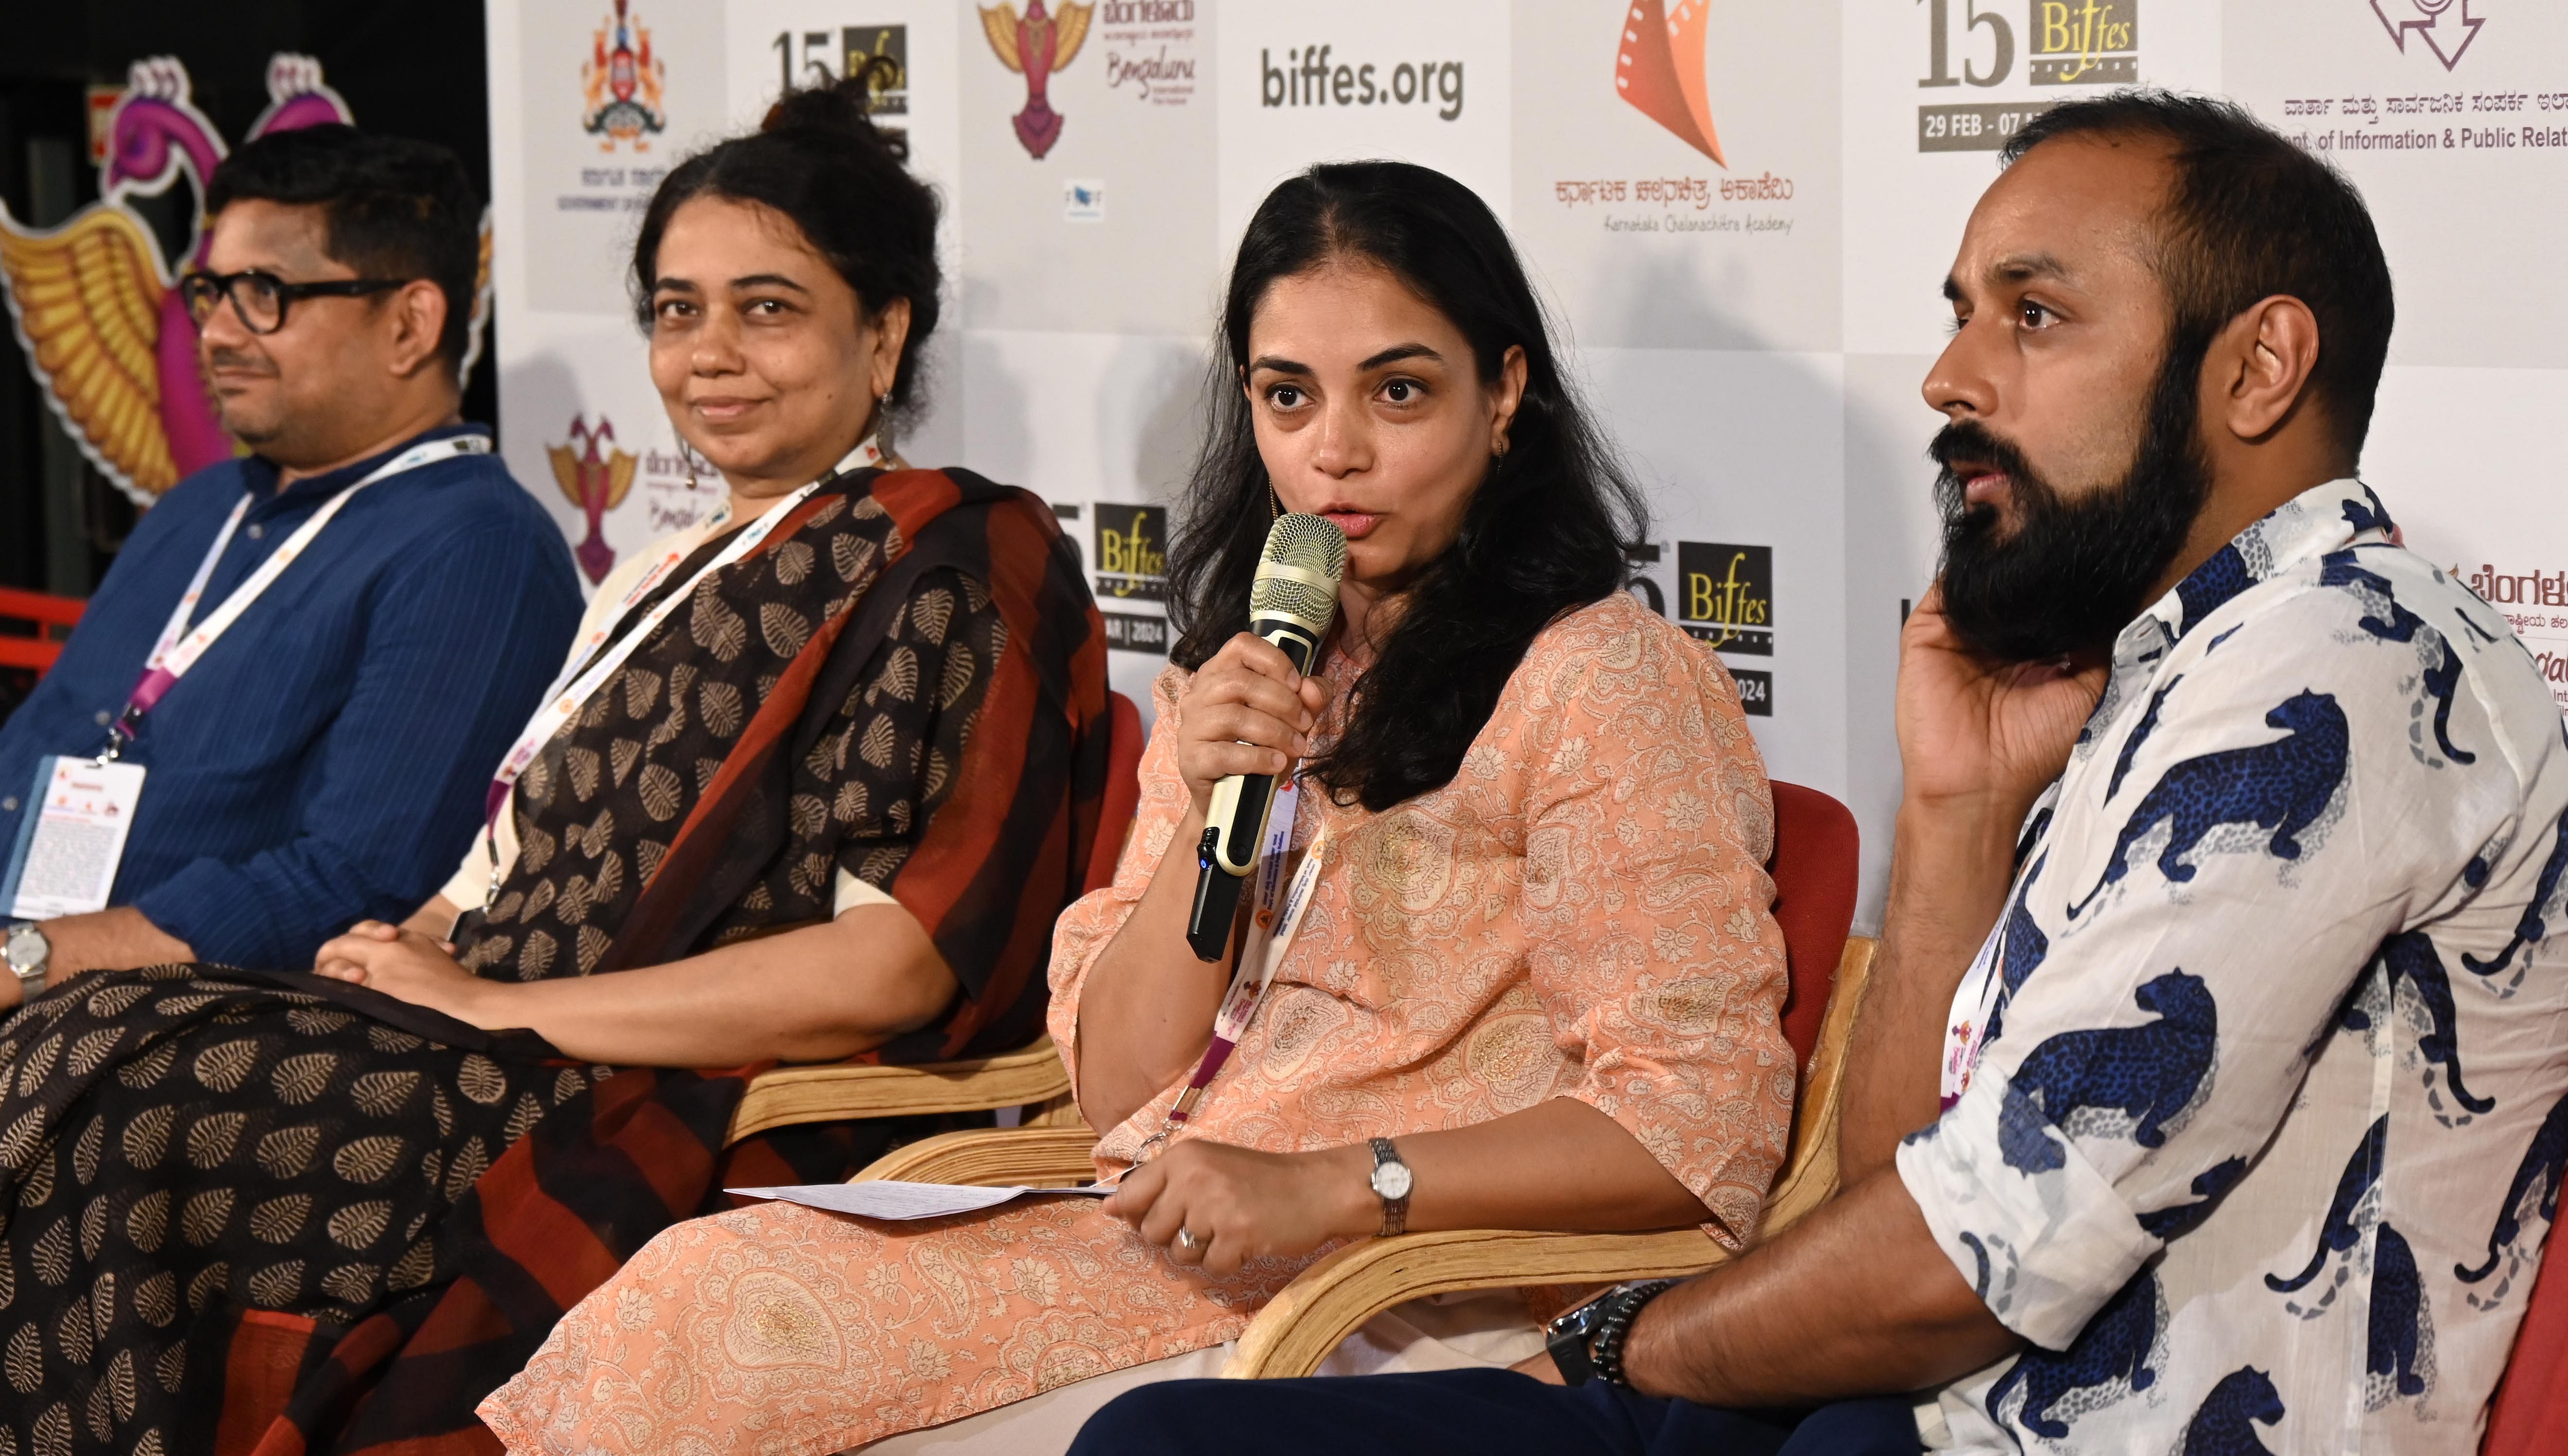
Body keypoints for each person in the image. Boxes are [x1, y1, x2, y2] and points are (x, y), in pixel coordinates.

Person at [1066, 91, 2568, 1456]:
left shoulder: (2341, 662)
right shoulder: (2169, 661)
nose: (1947, 374)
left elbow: (1967, 1254)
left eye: (2032, 316)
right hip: (1888, 1399)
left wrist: (1615, 1343)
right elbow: (1899, 1179)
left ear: (2258, 367)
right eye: (1961, 311)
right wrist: (1961, 813)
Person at [478, 159, 1795, 1454]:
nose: (1335, 450)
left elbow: (1689, 1125)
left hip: (1409, 1289)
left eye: (1398, 390)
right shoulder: (1256, 664)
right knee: (692, 1301)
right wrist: (1214, 806)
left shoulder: (1606, 677)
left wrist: (1335, 1180)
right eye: (1288, 396)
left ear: (1505, 392)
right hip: (1155, 1227)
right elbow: (1117, 1085)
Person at [0, 77, 1108, 1456]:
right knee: (72, 1039)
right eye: (676, 308)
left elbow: (892, 967)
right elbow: (488, 878)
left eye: (767, 307)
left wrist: (513, 1009)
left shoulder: (963, 556)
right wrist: (404, 945)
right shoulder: (652, 568)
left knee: (126, 1090)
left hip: (669, 1092)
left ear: (882, 334)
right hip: (483, 1030)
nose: (711, 351)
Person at [0, 125, 580, 989]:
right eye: (210, 291)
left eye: (264, 292)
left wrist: (32, 962)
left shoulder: (478, 550)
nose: (219, 334)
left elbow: (359, 882)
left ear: (410, 325)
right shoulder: (203, 507)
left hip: (165, 1035)